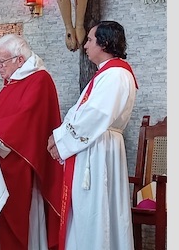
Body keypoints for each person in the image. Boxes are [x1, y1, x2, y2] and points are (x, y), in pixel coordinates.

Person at [47, 21, 138, 249]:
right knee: (90, 211)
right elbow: (79, 112)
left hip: (98, 150)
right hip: (93, 147)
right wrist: (59, 137)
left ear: (104, 43)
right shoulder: (107, 74)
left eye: (89, 40)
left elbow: (94, 115)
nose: (85, 45)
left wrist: (60, 140)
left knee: (95, 211)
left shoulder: (115, 75)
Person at [0, 34, 63, 250]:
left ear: (19, 60)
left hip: (23, 161)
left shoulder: (40, 79)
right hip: (1, 158)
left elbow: (28, 119)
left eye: (1, 62)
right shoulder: (14, 81)